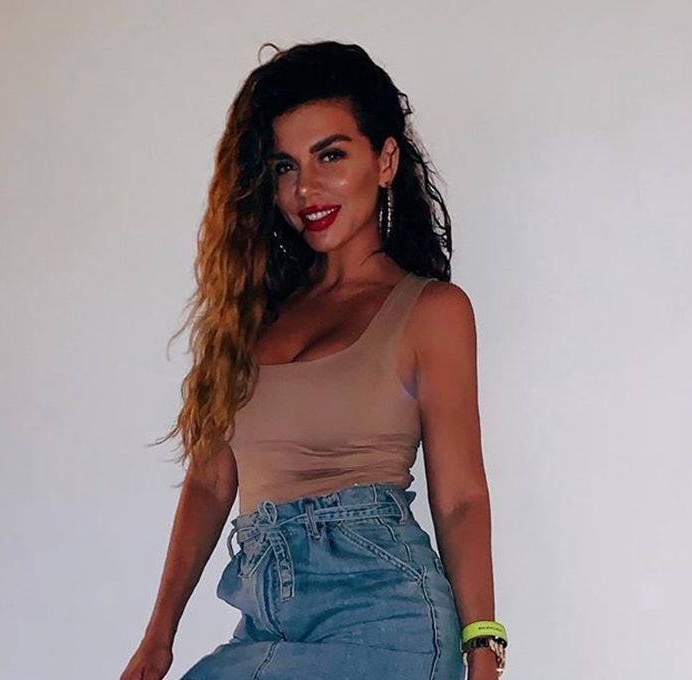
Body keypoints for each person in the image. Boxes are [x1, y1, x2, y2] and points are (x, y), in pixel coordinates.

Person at [121, 40, 507, 680]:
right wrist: (157, 639)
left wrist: (484, 650)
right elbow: (210, 483)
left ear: (385, 161)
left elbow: (462, 496)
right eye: (284, 166)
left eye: (331, 155)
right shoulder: (249, 319)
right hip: (265, 624)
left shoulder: (430, 311)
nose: (305, 188)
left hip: (386, 618)